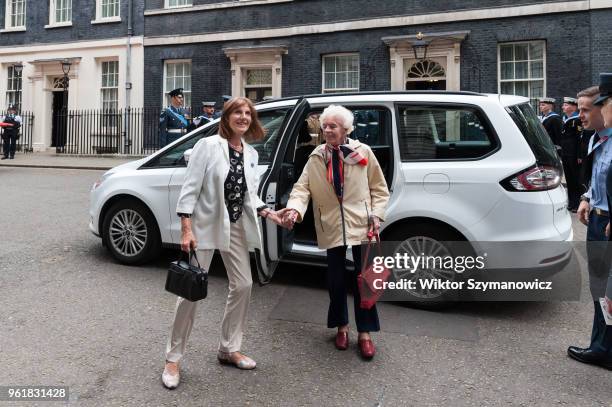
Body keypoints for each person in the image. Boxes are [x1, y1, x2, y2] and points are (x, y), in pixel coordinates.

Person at [162, 97, 286, 389]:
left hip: (236, 225)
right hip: (205, 225)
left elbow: (249, 195)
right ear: (227, 117)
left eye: (247, 113)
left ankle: (229, 348)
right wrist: (186, 228)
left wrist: (270, 213)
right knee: (191, 292)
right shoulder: (209, 146)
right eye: (237, 112)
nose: (243, 117)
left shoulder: (251, 154)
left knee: (243, 284)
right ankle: (173, 358)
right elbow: (190, 188)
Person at [282, 104, 390, 359]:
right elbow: (301, 189)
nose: (328, 130)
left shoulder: (363, 153)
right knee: (336, 280)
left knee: (365, 280)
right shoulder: (317, 156)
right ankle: (342, 327)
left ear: (346, 129)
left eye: (333, 126)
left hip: (362, 223)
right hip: (330, 225)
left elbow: (379, 189)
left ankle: (365, 332)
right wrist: (295, 210)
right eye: (325, 126)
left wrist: (377, 214)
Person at [568, 82, 612, 370]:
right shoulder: (596, 138)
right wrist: (586, 197)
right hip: (596, 220)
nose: (579, 115)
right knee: (601, 288)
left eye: (585, 109)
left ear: (605, 109)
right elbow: (599, 178)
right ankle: (602, 347)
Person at [560, 97, 582, 211]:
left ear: (574, 107)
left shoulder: (577, 120)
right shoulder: (565, 119)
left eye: (566, 105)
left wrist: (579, 155)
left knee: (576, 179)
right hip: (566, 153)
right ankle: (571, 203)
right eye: (563, 105)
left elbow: (580, 139)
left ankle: (578, 203)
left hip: (574, 155)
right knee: (569, 179)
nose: (563, 107)